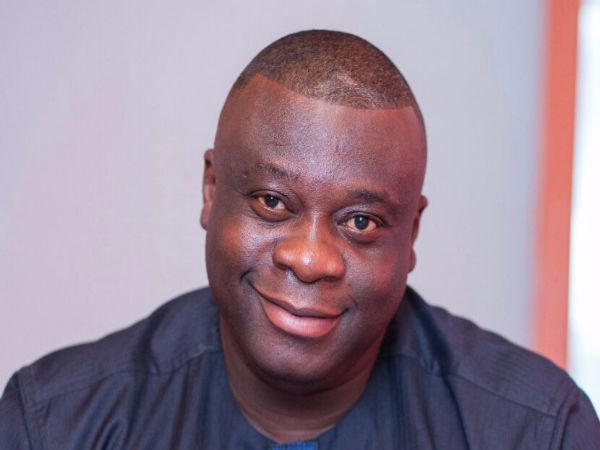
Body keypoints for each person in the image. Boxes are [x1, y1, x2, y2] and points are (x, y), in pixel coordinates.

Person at [0, 30, 598, 449]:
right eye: (272, 202)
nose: (309, 260)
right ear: (211, 190)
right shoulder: (55, 424)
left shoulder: (538, 431)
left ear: (411, 235)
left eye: (359, 222)